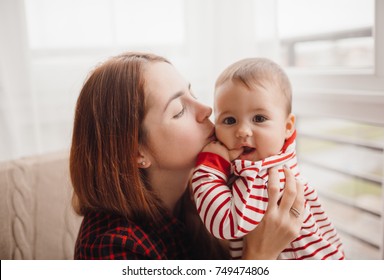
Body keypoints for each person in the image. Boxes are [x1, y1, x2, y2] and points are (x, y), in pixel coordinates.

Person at [69, 52, 305, 260]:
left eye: (192, 93)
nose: (206, 110)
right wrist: (259, 256)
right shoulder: (111, 248)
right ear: (136, 152)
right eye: (179, 110)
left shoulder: (207, 191)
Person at [191, 57, 345, 260]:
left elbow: (224, 224)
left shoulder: (263, 178)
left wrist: (211, 165)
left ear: (287, 126)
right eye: (229, 120)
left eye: (259, 118)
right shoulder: (274, 163)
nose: (243, 131)